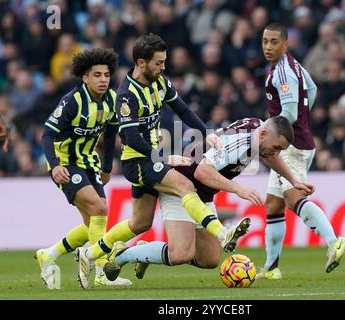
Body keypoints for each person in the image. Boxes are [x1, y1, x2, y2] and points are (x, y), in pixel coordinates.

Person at [75, 33, 249, 289]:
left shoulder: (161, 83)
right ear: (141, 62)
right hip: (138, 162)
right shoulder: (126, 95)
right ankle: (221, 233)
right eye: (158, 62)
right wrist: (164, 158)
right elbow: (131, 137)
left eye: (164, 61)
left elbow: (183, 110)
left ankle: (89, 255)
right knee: (185, 186)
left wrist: (207, 132)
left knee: (140, 223)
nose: (163, 67)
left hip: (153, 159)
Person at [101, 116, 314, 281]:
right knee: (181, 254)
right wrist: (238, 189)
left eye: (280, 149)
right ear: (265, 133)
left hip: (202, 195)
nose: (276, 152)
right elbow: (202, 172)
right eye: (277, 147)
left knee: (209, 260)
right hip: (181, 187)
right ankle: (125, 254)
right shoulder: (240, 143)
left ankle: (147, 251)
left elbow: (272, 155)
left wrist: (293, 180)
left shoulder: (260, 130)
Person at [259, 23, 345, 280]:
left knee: (290, 199)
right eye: (265, 41)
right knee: (274, 205)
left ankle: (334, 241)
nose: (268, 46)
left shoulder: (284, 72)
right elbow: (312, 90)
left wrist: (267, 130)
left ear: (285, 44)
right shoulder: (291, 65)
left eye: (274, 41)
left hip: (289, 144)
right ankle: (271, 268)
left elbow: (287, 114)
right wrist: (303, 118)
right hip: (296, 140)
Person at [35, 48, 131, 289]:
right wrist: (55, 166)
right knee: (100, 208)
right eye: (96, 75)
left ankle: (49, 254)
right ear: (84, 77)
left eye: (106, 75)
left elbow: (110, 132)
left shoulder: (111, 99)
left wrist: (108, 166)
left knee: (93, 225)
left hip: (89, 162)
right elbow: (47, 134)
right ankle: (100, 271)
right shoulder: (72, 101)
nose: (103, 80)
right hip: (65, 163)